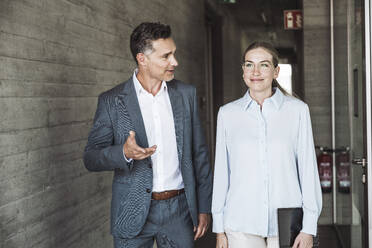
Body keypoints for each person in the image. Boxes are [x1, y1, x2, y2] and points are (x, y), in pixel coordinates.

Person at [83, 22, 212, 248]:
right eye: (166, 56)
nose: (175, 62)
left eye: (174, 54)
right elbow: (91, 157)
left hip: (179, 211)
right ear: (142, 59)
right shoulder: (112, 101)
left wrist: (203, 207)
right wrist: (123, 152)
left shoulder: (186, 94)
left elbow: (199, 154)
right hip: (130, 211)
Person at [212, 41, 322, 248]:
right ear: (243, 71)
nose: (256, 71)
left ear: (276, 71)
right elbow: (221, 174)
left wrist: (309, 227)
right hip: (240, 223)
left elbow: (308, 171)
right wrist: (219, 228)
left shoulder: (297, 111)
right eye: (249, 65)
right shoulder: (227, 114)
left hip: (287, 222)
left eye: (263, 65)